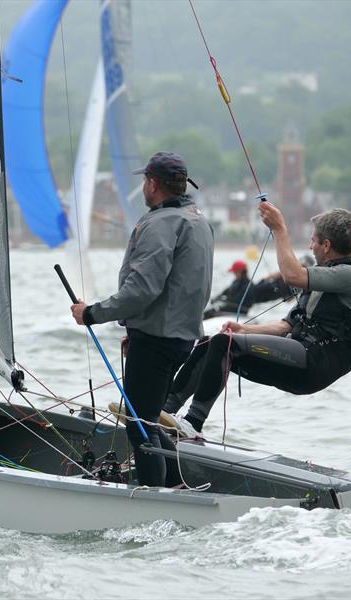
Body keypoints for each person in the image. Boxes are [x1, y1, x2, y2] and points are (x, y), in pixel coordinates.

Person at [164, 203, 351, 435]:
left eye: (313, 240)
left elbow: (292, 275)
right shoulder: (324, 278)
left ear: (326, 245)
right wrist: (243, 329)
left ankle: (193, 423)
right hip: (300, 353)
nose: (310, 246)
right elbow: (285, 326)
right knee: (212, 343)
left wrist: (279, 229)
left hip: (316, 364)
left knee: (224, 344)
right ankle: (164, 412)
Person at [69, 151, 214, 487]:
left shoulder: (161, 224)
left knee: (138, 424)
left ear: (152, 184)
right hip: (179, 338)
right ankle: (178, 486)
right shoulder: (197, 219)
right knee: (146, 419)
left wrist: (92, 314)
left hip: (158, 340)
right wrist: (135, 327)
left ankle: (157, 498)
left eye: (145, 182)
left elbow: (141, 289)